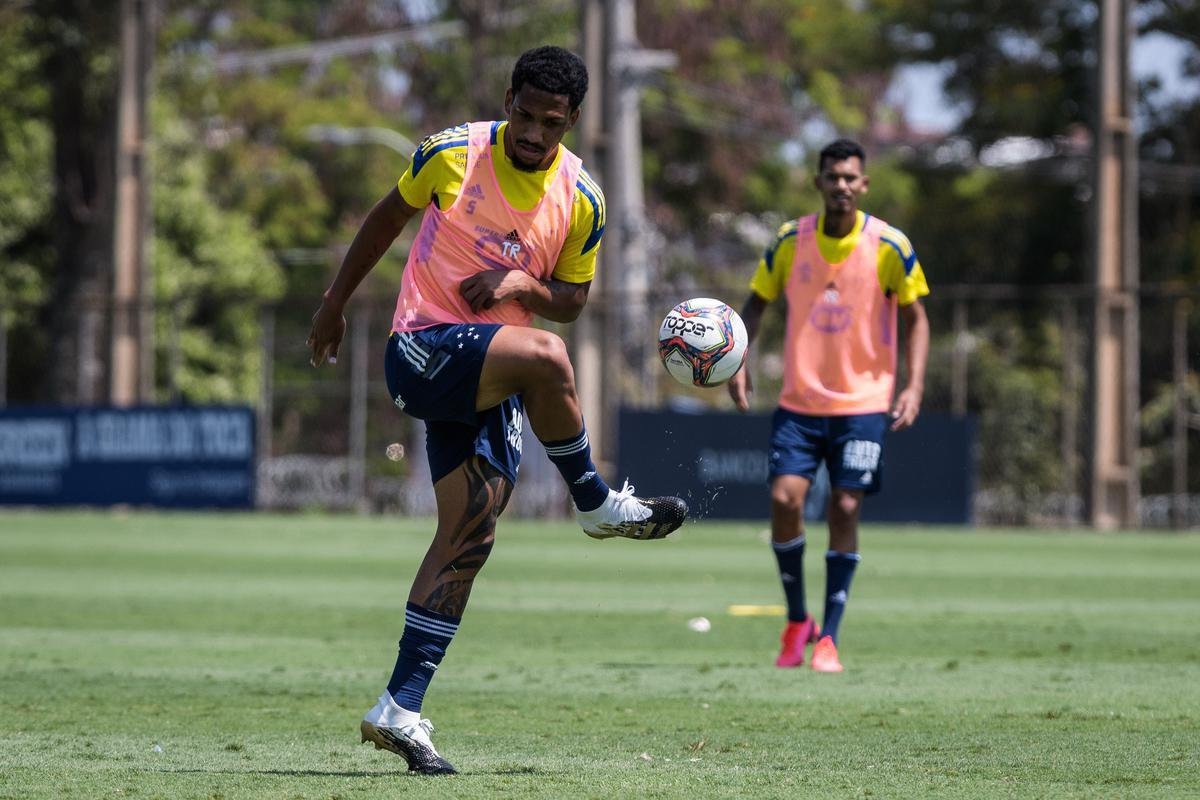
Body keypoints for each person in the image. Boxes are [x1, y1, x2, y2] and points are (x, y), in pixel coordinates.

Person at [306, 46, 687, 775]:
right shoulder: (452, 154)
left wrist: (521, 284)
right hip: (421, 347)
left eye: (551, 123)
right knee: (548, 357)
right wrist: (334, 302)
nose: (535, 134)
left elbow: (571, 300)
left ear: (573, 120)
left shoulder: (583, 198)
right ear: (508, 99)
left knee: (470, 535)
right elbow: (385, 221)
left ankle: (399, 708)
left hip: (489, 378)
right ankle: (594, 501)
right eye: (525, 115)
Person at [727, 139, 929, 673]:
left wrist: (913, 386)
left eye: (850, 177)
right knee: (785, 499)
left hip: (864, 402)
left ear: (864, 185)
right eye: (833, 176)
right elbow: (756, 303)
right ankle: (798, 620)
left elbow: (916, 319)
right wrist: (738, 358)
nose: (842, 185)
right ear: (818, 182)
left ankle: (830, 638)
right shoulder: (790, 241)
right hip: (800, 401)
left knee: (845, 507)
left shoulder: (889, 245)